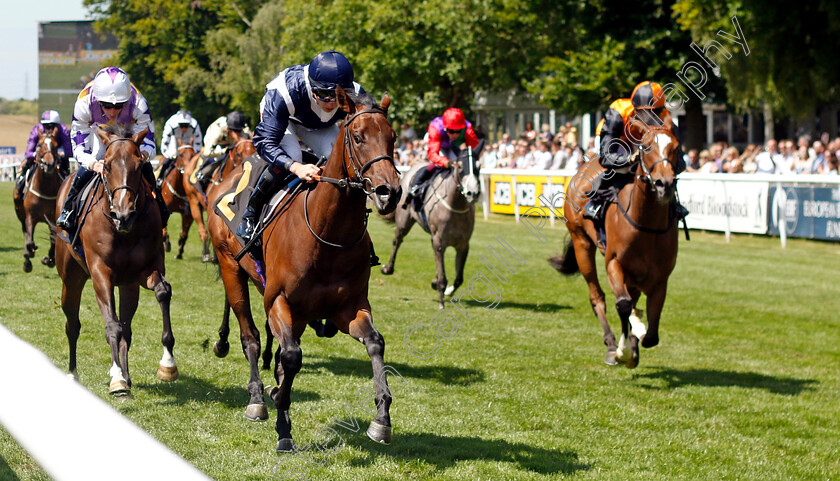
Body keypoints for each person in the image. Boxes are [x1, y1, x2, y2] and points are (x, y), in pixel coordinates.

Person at [235, 50, 364, 243]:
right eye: (323, 94)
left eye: (336, 96)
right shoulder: (284, 91)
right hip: (285, 119)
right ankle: (251, 213)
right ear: (311, 87)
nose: (330, 102)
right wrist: (297, 167)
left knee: (338, 158)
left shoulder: (357, 93)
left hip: (320, 126)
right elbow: (264, 142)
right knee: (293, 154)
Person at [57, 66, 168, 234]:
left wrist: (142, 156)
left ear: (127, 100)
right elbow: (79, 147)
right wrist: (94, 164)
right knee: (87, 167)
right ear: (98, 100)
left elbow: (149, 141)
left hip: (128, 134)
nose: (113, 111)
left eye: (119, 106)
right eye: (107, 106)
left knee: (143, 167)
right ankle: (68, 209)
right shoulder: (84, 103)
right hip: (99, 133)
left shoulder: (138, 103)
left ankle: (160, 205)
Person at [584, 81, 688, 235]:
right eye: (647, 112)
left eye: (657, 111)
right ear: (635, 109)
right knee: (623, 169)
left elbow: (680, 162)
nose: (652, 117)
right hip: (618, 140)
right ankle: (596, 201)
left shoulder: (665, 117)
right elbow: (606, 158)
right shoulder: (618, 111)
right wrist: (630, 159)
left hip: (644, 142)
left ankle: (674, 204)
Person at [402, 107, 480, 207]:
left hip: (455, 146)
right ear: (445, 128)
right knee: (437, 164)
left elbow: (474, 150)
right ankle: (416, 185)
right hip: (440, 146)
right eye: (451, 131)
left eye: (458, 131)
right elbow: (433, 154)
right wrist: (447, 162)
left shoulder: (468, 128)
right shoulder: (435, 127)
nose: (455, 134)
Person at [16, 110, 73, 197]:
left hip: (57, 152)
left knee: (66, 168)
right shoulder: (36, 130)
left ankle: (69, 189)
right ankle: (21, 183)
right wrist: (37, 154)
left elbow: (69, 151)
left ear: (57, 125)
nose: (49, 130)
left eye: (52, 126)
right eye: (46, 126)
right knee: (28, 162)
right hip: (40, 152)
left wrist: (61, 154)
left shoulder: (63, 130)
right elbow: (28, 153)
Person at [194, 111, 251, 190]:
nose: (238, 134)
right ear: (228, 130)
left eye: (239, 131)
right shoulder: (218, 132)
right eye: (236, 132)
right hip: (217, 144)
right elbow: (207, 152)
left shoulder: (244, 129)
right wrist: (223, 151)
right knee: (219, 159)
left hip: (229, 142)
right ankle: (202, 176)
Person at [156, 110, 203, 187]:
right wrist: (169, 155)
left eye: (186, 125)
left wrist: (195, 155)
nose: (184, 128)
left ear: (190, 124)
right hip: (174, 138)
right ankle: (160, 178)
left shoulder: (195, 125)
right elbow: (164, 144)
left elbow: (198, 143)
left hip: (188, 140)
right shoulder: (170, 124)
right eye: (181, 125)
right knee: (173, 154)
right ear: (178, 124)